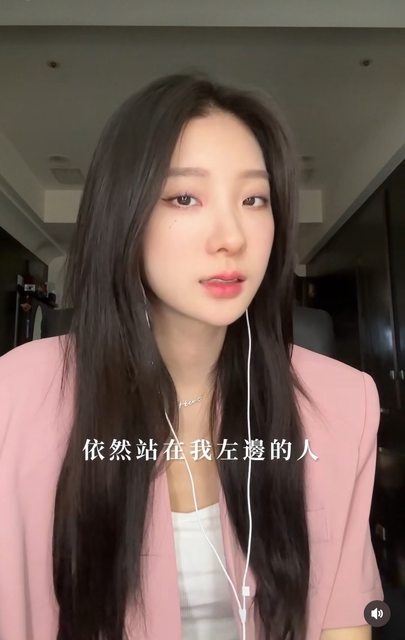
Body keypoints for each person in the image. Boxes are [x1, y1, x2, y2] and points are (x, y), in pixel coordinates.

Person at [0, 72, 384, 640]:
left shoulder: (343, 402)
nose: (232, 236)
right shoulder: (15, 396)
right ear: (124, 215)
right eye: (185, 197)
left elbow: (345, 617)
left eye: (254, 199)